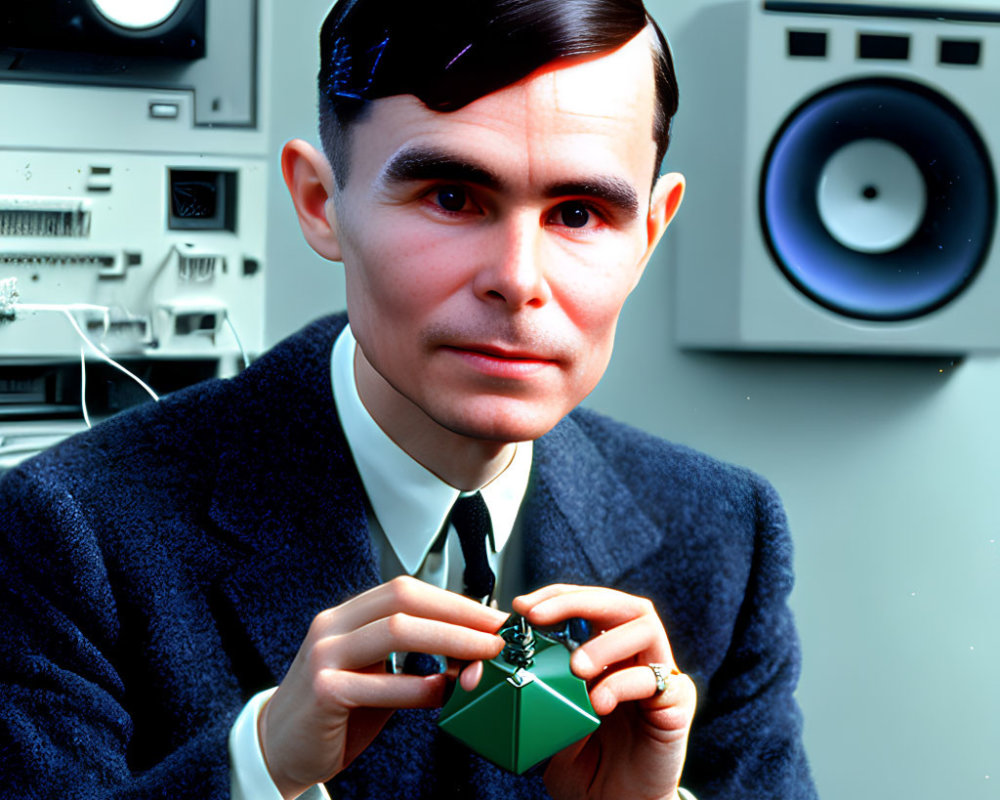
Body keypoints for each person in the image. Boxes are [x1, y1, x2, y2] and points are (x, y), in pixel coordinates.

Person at [0, 1, 816, 798]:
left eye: (579, 213)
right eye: (453, 198)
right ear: (322, 203)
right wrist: (257, 771)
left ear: (650, 232)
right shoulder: (72, 532)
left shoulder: (722, 533)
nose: (518, 281)